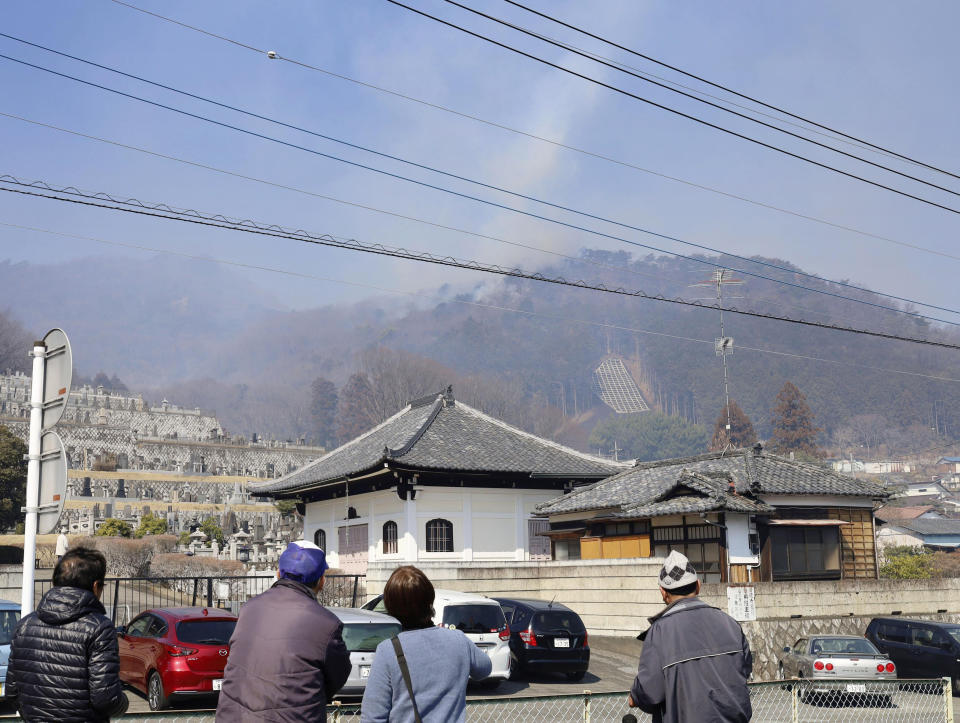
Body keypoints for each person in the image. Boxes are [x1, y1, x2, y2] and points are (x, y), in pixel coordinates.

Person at [216, 539, 351, 722]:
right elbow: (337, 676)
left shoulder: (249, 609)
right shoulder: (327, 624)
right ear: (322, 581)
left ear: (278, 573)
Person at [628, 550, 752, 723]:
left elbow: (649, 694)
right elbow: (744, 670)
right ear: (698, 585)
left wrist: (635, 696)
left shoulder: (659, 632)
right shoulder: (730, 624)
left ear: (663, 592)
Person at [7, 547, 129, 721]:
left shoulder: (24, 625)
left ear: (54, 581)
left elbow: (12, 692)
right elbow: (105, 699)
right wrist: (123, 703)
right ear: (96, 587)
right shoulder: (99, 628)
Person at [361, 566, 491, 723]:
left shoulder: (388, 650)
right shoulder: (458, 640)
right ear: (430, 599)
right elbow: (485, 669)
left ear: (391, 607)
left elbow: (372, 717)